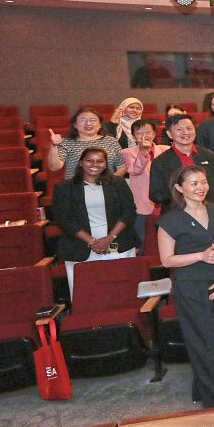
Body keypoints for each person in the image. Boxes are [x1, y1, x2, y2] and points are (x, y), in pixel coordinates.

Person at [157, 165, 214, 408]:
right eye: (193, 183)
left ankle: (203, 387)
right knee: (204, 340)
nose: (200, 187)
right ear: (180, 188)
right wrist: (199, 256)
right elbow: (166, 259)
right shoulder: (170, 220)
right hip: (189, 285)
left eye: (203, 182)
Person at [51, 147, 138, 298]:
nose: (94, 164)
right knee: (87, 293)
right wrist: (92, 242)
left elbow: (128, 211)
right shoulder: (65, 188)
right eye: (89, 160)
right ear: (80, 163)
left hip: (117, 242)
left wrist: (109, 238)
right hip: (80, 245)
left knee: (120, 289)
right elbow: (64, 219)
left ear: (105, 165)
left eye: (100, 161)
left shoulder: (118, 183)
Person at [149, 114, 214, 209]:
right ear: (169, 134)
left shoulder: (208, 156)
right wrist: (183, 191)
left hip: (207, 211)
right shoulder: (161, 161)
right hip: (176, 214)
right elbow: (156, 195)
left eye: (189, 128)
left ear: (195, 131)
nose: (185, 132)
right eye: (179, 129)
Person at [119, 119, 167, 252]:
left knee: (165, 237)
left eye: (148, 131)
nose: (144, 135)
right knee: (141, 237)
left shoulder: (165, 150)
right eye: (139, 132)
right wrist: (143, 153)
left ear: (154, 134)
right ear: (133, 136)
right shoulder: (127, 152)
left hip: (164, 199)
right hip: (141, 200)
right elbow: (134, 170)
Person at [46, 106, 126, 179]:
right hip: (76, 188)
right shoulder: (67, 142)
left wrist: (111, 181)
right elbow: (54, 167)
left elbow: (122, 166)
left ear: (100, 124)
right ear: (75, 124)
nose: (88, 123)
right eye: (83, 120)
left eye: (93, 120)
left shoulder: (111, 141)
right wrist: (54, 146)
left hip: (106, 187)